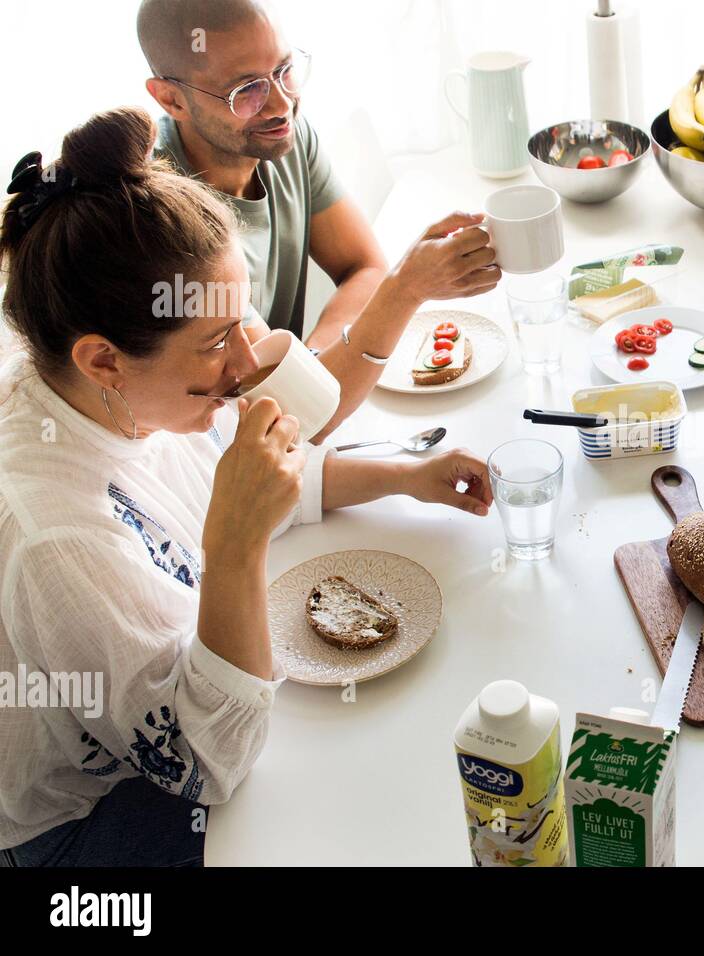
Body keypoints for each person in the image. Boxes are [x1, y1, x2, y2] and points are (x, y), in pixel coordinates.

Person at [0, 107, 493, 866]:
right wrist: (233, 546)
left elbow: (249, 472)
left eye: (242, 323)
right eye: (214, 343)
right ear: (104, 360)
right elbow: (205, 765)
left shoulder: (138, 398)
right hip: (85, 822)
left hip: (182, 725)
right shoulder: (54, 531)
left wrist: (404, 476)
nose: (246, 363)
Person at [138, 0, 500, 440]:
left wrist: (309, 361)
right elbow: (299, 418)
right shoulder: (162, 221)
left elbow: (363, 267)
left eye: (284, 69)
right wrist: (407, 289)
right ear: (170, 98)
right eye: (245, 90)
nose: (281, 103)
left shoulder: (281, 134)